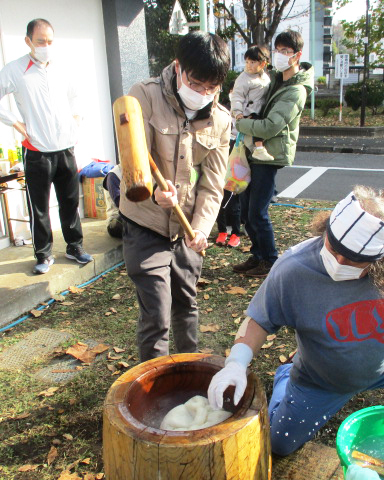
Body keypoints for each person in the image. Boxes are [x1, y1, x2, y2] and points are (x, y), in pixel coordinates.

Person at [209, 186, 384, 456]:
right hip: (321, 380)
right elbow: (259, 319)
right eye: (334, 247)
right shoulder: (294, 268)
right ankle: (287, 377)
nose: (340, 261)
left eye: (355, 260)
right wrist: (236, 363)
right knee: (276, 445)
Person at [118, 31, 231, 362]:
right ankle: (156, 387)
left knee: (186, 303)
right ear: (179, 68)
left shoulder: (221, 119)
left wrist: (201, 228)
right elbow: (134, 163)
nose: (203, 94)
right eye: (196, 84)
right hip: (145, 221)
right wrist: (155, 193)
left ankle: (188, 372)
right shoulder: (144, 96)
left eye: (211, 88)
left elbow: (212, 184)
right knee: (157, 312)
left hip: (186, 228)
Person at [0, 18, 92, 274]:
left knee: (70, 202)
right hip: (37, 151)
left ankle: (75, 247)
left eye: (50, 41)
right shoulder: (15, 70)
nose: (45, 46)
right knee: (39, 207)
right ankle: (43, 255)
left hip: (65, 148)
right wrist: (15, 124)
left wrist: (76, 119)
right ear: (28, 41)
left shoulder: (62, 67)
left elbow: (77, 97)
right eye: (40, 41)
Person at [232, 30, 313, 278]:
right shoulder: (275, 78)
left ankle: (269, 259)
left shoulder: (296, 90)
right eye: (278, 50)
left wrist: (239, 122)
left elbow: (270, 127)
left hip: (270, 153)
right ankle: (257, 254)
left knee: (258, 212)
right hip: (254, 151)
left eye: (286, 51)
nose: (280, 55)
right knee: (246, 209)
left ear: (297, 56)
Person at [230, 45, 272, 161]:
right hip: (247, 113)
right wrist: (237, 112)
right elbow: (237, 96)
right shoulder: (243, 78)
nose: (248, 65)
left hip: (258, 111)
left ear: (262, 64)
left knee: (253, 134)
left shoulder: (265, 77)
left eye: (252, 62)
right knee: (253, 130)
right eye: (247, 62)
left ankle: (257, 151)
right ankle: (258, 150)